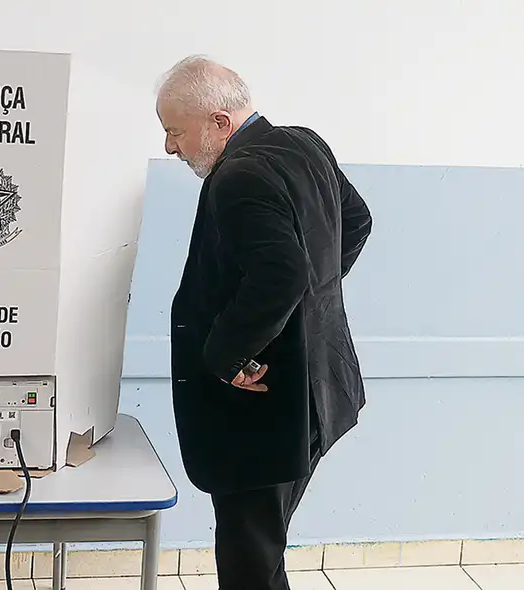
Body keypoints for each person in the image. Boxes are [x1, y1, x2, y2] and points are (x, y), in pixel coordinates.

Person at [155, 55, 373, 590]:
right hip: (321, 391)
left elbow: (281, 275)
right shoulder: (304, 144)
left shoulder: (239, 175)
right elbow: (357, 220)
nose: (170, 147)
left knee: (248, 560)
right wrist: (309, 310)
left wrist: (228, 355)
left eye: (174, 132)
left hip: (268, 405)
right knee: (261, 547)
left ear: (219, 123)